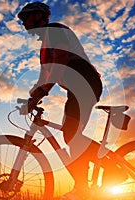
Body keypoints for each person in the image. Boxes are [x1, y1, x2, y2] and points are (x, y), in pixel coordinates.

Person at [17, 2, 126, 199]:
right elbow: (45, 77)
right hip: (77, 88)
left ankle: (107, 172)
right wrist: (32, 97)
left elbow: (60, 64)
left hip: (85, 82)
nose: (23, 23)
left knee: (70, 134)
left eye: (26, 18)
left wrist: (40, 93)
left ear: (39, 16)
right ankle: (85, 185)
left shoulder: (56, 31)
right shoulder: (44, 47)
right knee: (71, 135)